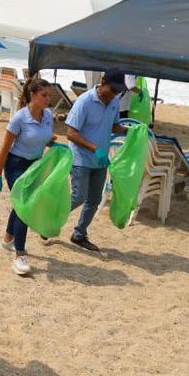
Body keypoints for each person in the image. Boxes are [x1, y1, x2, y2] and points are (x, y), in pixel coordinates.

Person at [0, 78, 54, 276]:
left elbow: (44, 139)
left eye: (49, 95)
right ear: (32, 95)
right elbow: (4, 148)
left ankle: (8, 239)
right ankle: (19, 254)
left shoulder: (48, 116)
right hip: (16, 165)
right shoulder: (19, 118)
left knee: (20, 205)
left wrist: (54, 145)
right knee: (24, 206)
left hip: (35, 165)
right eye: (44, 95)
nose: (48, 99)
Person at [64, 70, 129, 252]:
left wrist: (128, 130)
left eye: (117, 91)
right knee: (78, 197)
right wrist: (95, 149)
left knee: (94, 199)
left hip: (100, 161)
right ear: (103, 81)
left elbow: (112, 125)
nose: (114, 95)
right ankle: (50, 220)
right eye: (112, 90)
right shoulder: (84, 101)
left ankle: (79, 234)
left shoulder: (114, 101)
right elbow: (70, 133)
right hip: (81, 158)